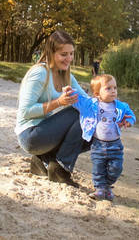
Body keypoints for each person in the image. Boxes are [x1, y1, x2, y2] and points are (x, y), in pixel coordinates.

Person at [15, 30, 90, 187]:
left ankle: (42, 160)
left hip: (44, 133)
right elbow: (25, 111)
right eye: (64, 54)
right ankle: (60, 169)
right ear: (51, 52)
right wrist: (59, 102)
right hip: (30, 135)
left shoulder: (65, 75)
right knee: (78, 113)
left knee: (95, 123)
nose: (69, 58)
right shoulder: (39, 73)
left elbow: (88, 102)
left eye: (71, 54)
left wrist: (114, 113)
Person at [65, 74, 136, 201]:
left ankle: (107, 185)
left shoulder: (121, 106)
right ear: (97, 93)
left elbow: (130, 114)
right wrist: (70, 92)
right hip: (98, 145)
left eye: (115, 87)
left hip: (115, 145)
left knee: (116, 168)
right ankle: (100, 189)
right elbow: (79, 100)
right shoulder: (92, 105)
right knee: (98, 168)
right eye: (108, 88)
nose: (113, 91)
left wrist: (129, 121)